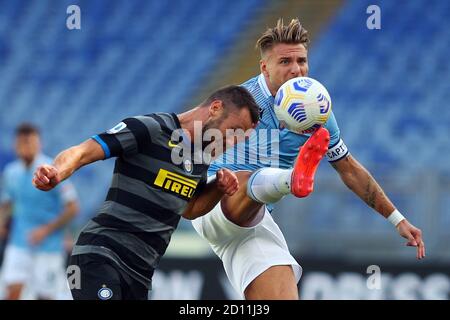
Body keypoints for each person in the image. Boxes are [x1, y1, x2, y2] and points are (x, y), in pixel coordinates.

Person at [190, 18, 425, 300]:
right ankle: (292, 179)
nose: (296, 69)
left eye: (301, 60)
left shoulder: (317, 111)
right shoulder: (239, 101)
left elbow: (348, 168)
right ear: (265, 67)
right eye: (285, 62)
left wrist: (397, 219)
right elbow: (191, 139)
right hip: (214, 202)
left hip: (255, 221)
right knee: (237, 179)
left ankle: (291, 180)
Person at [33, 85, 260, 300]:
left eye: (238, 139)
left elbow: (189, 209)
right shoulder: (151, 128)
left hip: (140, 275)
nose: (231, 142)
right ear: (215, 108)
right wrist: (58, 171)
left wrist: (217, 189)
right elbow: (82, 152)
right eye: (232, 132)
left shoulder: (201, 156)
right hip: (101, 255)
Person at [0, 123, 79, 300]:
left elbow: (73, 208)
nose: (25, 147)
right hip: (18, 244)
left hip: (48, 247)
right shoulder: (11, 172)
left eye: (30, 142)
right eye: (22, 143)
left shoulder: (52, 170)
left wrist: (47, 230)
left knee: (45, 296)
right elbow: (7, 202)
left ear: (39, 144)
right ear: (16, 145)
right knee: (11, 292)